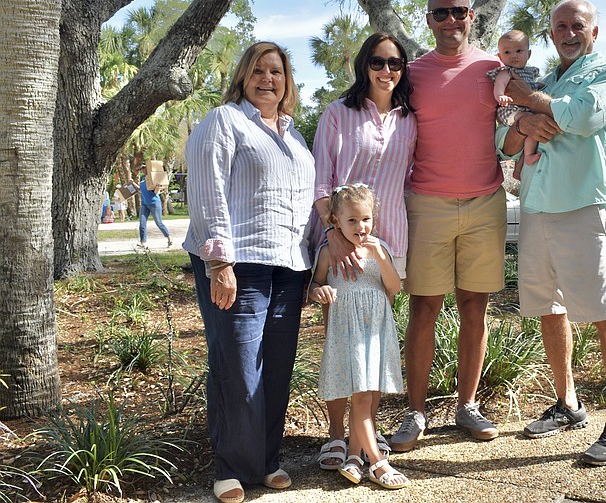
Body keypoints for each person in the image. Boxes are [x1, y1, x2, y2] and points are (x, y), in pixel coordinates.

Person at [496, 0, 606, 466]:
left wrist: (528, 101)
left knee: (604, 311)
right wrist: (524, 121)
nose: (568, 33)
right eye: (560, 26)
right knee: (548, 307)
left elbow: (583, 117)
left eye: (578, 25)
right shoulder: (548, 80)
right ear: (551, 34)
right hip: (535, 207)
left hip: (581, 207)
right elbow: (504, 144)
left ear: (594, 32)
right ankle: (568, 403)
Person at [182, 41, 314, 503]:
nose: (267, 79)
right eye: (258, 70)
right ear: (243, 76)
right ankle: (231, 468)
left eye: (276, 72)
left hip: (289, 267)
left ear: (287, 81)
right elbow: (207, 191)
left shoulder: (295, 136)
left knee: (276, 367)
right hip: (239, 265)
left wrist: (314, 264)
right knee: (237, 366)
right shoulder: (225, 121)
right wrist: (219, 262)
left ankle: (266, 461)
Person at [389, 0, 506, 452]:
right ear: (429, 20)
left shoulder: (494, 69)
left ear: (471, 15)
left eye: (458, 11)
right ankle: (415, 413)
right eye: (441, 13)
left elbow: (516, 120)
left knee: (475, 307)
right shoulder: (411, 74)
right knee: (424, 308)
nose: (450, 20)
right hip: (427, 204)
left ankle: (467, 406)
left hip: (485, 202)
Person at [310, 33, 416, 471]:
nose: (386, 70)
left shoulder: (410, 119)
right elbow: (321, 181)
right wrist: (332, 233)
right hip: (340, 240)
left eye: (395, 63)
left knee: (374, 340)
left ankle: (363, 438)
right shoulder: (338, 113)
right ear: (363, 65)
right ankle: (338, 435)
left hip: (388, 243)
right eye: (377, 61)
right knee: (340, 341)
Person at [309, 184, 410, 490]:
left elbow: (394, 287)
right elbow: (314, 285)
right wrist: (320, 291)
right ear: (335, 221)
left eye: (366, 219)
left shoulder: (379, 249)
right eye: (351, 220)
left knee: (365, 396)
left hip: (375, 331)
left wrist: (379, 256)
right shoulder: (328, 252)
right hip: (347, 333)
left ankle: (354, 456)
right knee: (361, 396)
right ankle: (377, 462)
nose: (360, 226)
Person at [487, 30, 543, 180]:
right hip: (510, 110)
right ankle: (527, 157)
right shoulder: (506, 72)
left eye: (519, 51)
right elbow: (499, 85)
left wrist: (538, 86)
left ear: (528, 54)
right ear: (500, 57)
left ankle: (520, 167)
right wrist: (501, 96)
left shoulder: (530, 72)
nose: (513, 55)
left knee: (532, 130)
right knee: (531, 122)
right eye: (507, 52)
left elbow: (530, 87)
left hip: (523, 110)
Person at [134, 163, 172, 248]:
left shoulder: (153, 178)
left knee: (159, 223)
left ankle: (169, 239)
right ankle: (143, 242)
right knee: (142, 223)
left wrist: (157, 187)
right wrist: (133, 183)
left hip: (154, 203)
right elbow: (140, 190)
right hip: (144, 204)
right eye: (142, 169)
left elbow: (155, 192)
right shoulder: (143, 179)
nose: (143, 170)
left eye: (144, 168)